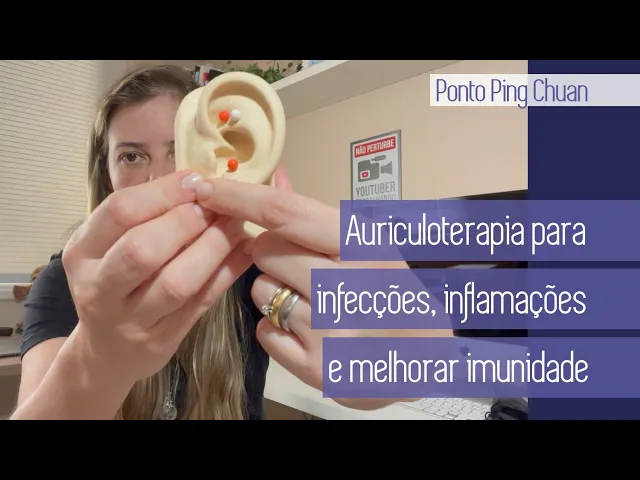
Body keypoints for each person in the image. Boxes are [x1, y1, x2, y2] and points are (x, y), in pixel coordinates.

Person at [11, 64, 451, 420]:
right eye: (131, 156)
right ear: (106, 176)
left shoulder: (252, 264)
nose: (159, 177)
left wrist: (414, 355)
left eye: (177, 151)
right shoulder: (65, 282)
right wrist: (97, 360)